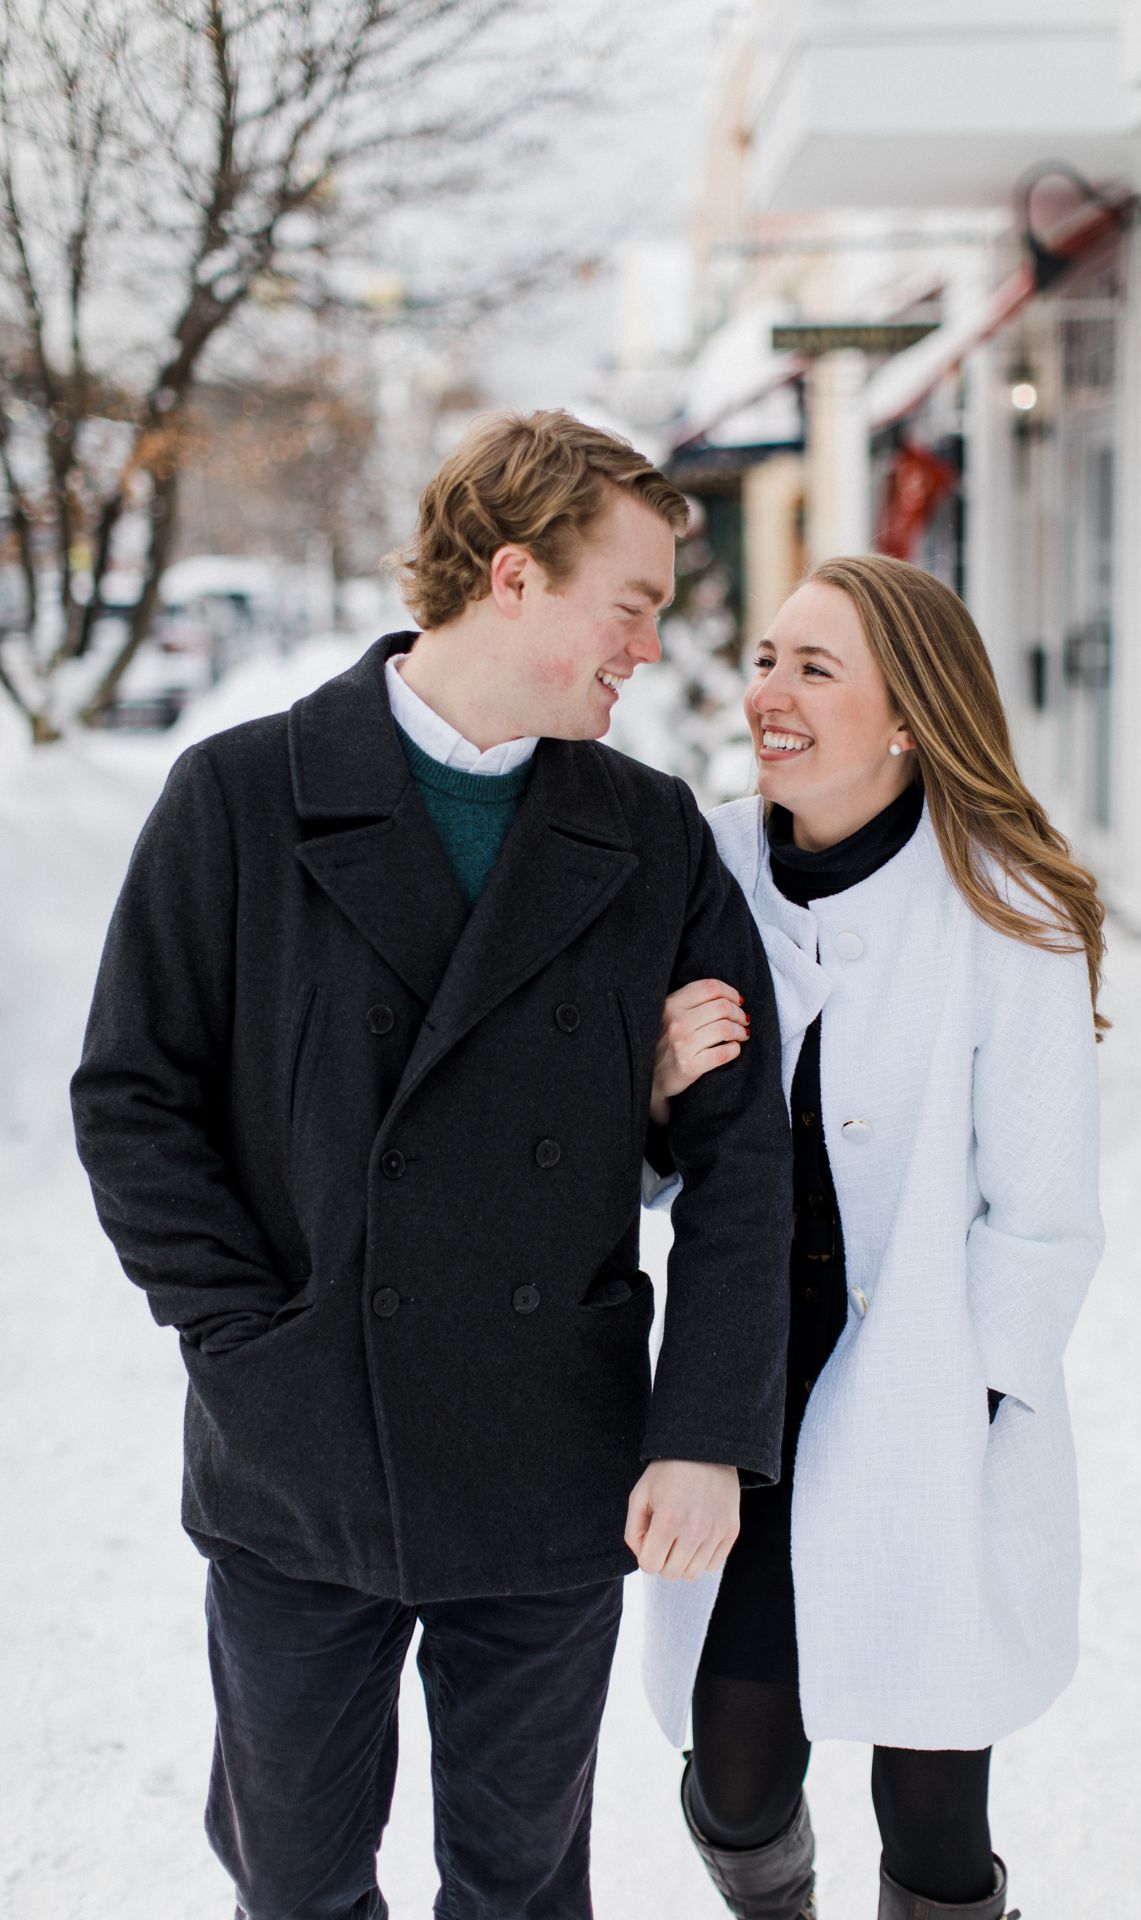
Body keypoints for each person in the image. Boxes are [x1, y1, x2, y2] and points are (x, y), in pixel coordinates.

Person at [70, 409, 794, 1920]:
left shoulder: (648, 831)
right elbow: (134, 1099)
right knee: (293, 1878)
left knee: (521, 1888)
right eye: (633, 605)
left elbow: (743, 1164)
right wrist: (247, 1341)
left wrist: (704, 1430)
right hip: (301, 1456)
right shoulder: (241, 796)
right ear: (516, 578)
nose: (650, 648)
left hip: (551, 1454)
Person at [642, 555, 1105, 1920]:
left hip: (926, 1404)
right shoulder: (706, 866)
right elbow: (653, 1162)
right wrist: (655, 1093)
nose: (768, 695)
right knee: (734, 1774)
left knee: (932, 1804)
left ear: (908, 716)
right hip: (743, 1394)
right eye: (766, 660)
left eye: (814, 668)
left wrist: (967, 1404)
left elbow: (1044, 1217)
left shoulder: (1009, 908)